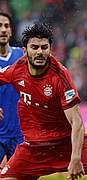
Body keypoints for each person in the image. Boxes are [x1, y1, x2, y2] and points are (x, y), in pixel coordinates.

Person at [0, 22, 87, 179]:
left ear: (50, 50)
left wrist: (75, 157)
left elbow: (77, 122)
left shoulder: (60, 75)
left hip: (66, 144)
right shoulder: (16, 70)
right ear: (24, 52)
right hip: (33, 148)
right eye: (34, 47)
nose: (40, 52)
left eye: (44, 47)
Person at [0, 12, 24, 168]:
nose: (3, 29)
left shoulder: (22, 56)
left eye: (6, 26)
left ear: (11, 31)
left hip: (20, 134)